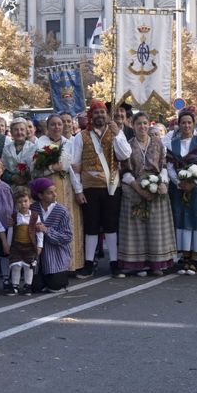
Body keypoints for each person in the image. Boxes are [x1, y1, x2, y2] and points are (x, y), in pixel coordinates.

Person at [71, 100, 129, 277]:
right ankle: (89, 263)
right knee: (91, 226)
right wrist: (78, 190)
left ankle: (114, 262)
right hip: (89, 188)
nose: (99, 116)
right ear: (91, 115)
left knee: (111, 226)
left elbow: (125, 154)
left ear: (107, 115)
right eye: (96, 113)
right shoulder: (81, 136)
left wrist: (118, 133)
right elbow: (74, 165)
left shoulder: (116, 134)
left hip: (112, 187)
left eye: (102, 113)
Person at [116, 111, 175, 277]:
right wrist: (138, 188)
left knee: (155, 228)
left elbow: (163, 165)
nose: (142, 126)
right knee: (137, 228)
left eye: (144, 123)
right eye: (138, 123)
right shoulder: (128, 145)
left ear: (149, 124)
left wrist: (163, 183)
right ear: (133, 126)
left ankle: (156, 263)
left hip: (155, 185)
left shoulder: (158, 144)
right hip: (134, 186)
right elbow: (125, 170)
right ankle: (137, 264)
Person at [32, 114, 84, 273]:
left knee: (68, 223)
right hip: (48, 185)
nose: (56, 127)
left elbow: (72, 170)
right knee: (51, 223)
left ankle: (71, 263)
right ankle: (52, 263)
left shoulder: (70, 142)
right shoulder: (40, 143)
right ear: (47, 127)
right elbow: (34, 169)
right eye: (53, 124)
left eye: (59, 124)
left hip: (66, 186)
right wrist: (51, 169)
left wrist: (78, 190)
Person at [167, 109, 197, 273]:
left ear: (193, 124)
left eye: (189, 122)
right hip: (179, 188)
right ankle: (185, 257)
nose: (186, 125)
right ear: (179, 124)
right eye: (183, 122)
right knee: (182, 221)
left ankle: (194, 260)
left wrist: (193, 182)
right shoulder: (172, 143)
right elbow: (170, 166)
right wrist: (179, 183)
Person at [31, 177, 73, 292]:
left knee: (55, 285)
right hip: (37, 256)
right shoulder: (32, 209)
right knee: (35, 287)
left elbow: (67, 236)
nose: (55, 195)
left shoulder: (62, 211)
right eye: (50, 192)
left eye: (55, 191)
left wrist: (47, 230)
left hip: (55, 255)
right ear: (40, 195)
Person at [5, 185, 41, 293]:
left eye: (25, 201)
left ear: (30, 201)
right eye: (20, 202)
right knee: (16, 265)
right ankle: (15, 285)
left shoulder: (35, 216)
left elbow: (39, 232)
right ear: (16, 204)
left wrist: (40, 245)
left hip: (30, 246)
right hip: (16, 245)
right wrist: (8, 244)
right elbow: (11, 230)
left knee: (28, 266)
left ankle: (27, 285)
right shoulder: (14, 217)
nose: (23, 204)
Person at [1, 118, 37, 188]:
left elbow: (37, 169)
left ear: (26, 132)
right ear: (11, 132)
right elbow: (2, 169)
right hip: (10, 186)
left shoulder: (33, 148)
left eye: (22, 129)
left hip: (29, 186)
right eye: (16, 130)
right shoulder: (6, 149)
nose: (19, 132)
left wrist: (26, 175)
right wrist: (13, 177)